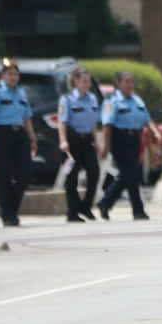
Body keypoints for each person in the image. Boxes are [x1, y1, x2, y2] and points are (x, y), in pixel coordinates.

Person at [97, 71, 162, 220]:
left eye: (131, 81)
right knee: (132, 174)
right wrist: (106, 146)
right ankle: (138, 210)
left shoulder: (137, 100)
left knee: (127, 175)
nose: (129, 85)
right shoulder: (112, 101)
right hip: (120, 139)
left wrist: (155, 132)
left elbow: (147, 119)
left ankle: (105, 202)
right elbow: (107, 125)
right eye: (126, 81)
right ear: (118, 84)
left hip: (135, 139)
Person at [0, 58, 36, 226]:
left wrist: (32, 138)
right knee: (3, 175)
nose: (13, 77)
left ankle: (11, 208)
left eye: (15, 74)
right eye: (10, 74)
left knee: (25, 174)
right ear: (3, 75)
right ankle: (8, 214)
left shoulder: (21, 93)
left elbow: (27, 118)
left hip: (19, 135)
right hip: (1, 133)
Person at [57, 65, 101, 221]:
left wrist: (96, 141)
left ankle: (86, 206)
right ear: (75, 82)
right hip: (72, 140)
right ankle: (72, 211)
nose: (86, 84)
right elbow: (62, 122)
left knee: (94, 172)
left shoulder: (93, 98)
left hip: (87, 139)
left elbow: (93, 122)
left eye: (88, 81)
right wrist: (63, 141)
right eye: (83, 81)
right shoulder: (67, 99)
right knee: (72, 178)